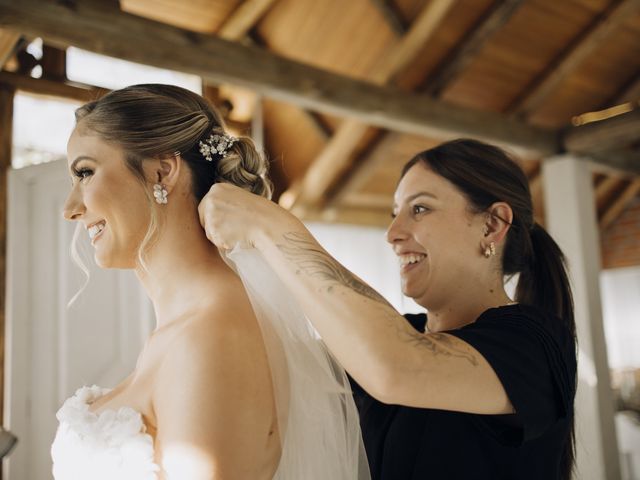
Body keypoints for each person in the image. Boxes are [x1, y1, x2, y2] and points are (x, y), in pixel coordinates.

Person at [198, 138, 578, 480]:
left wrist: (272, 226)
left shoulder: (534, 343)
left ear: (492, 225)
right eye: (395, 213)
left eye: (420, 209)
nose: (393, 233)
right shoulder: (398, 331)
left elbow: (395, 367)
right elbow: (274, 367)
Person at [53, 84, 369, 480]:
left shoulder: (214, 334)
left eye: (85, 173)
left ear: (162, 171)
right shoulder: (183, 331)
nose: (70, 209)